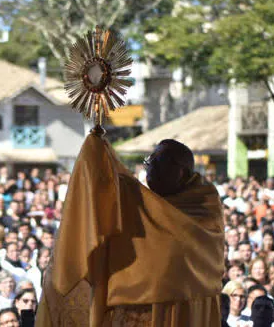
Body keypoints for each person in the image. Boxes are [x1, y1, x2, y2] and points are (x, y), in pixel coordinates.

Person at [36, 138, 224, 326]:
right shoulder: (143, 204)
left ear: (181, 171)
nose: (149, 168)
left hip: (186, 311)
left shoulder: (204, 205)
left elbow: (170, 249)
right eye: (148, 162)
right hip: (138, 309)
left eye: (157, 162)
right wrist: (96, 153)